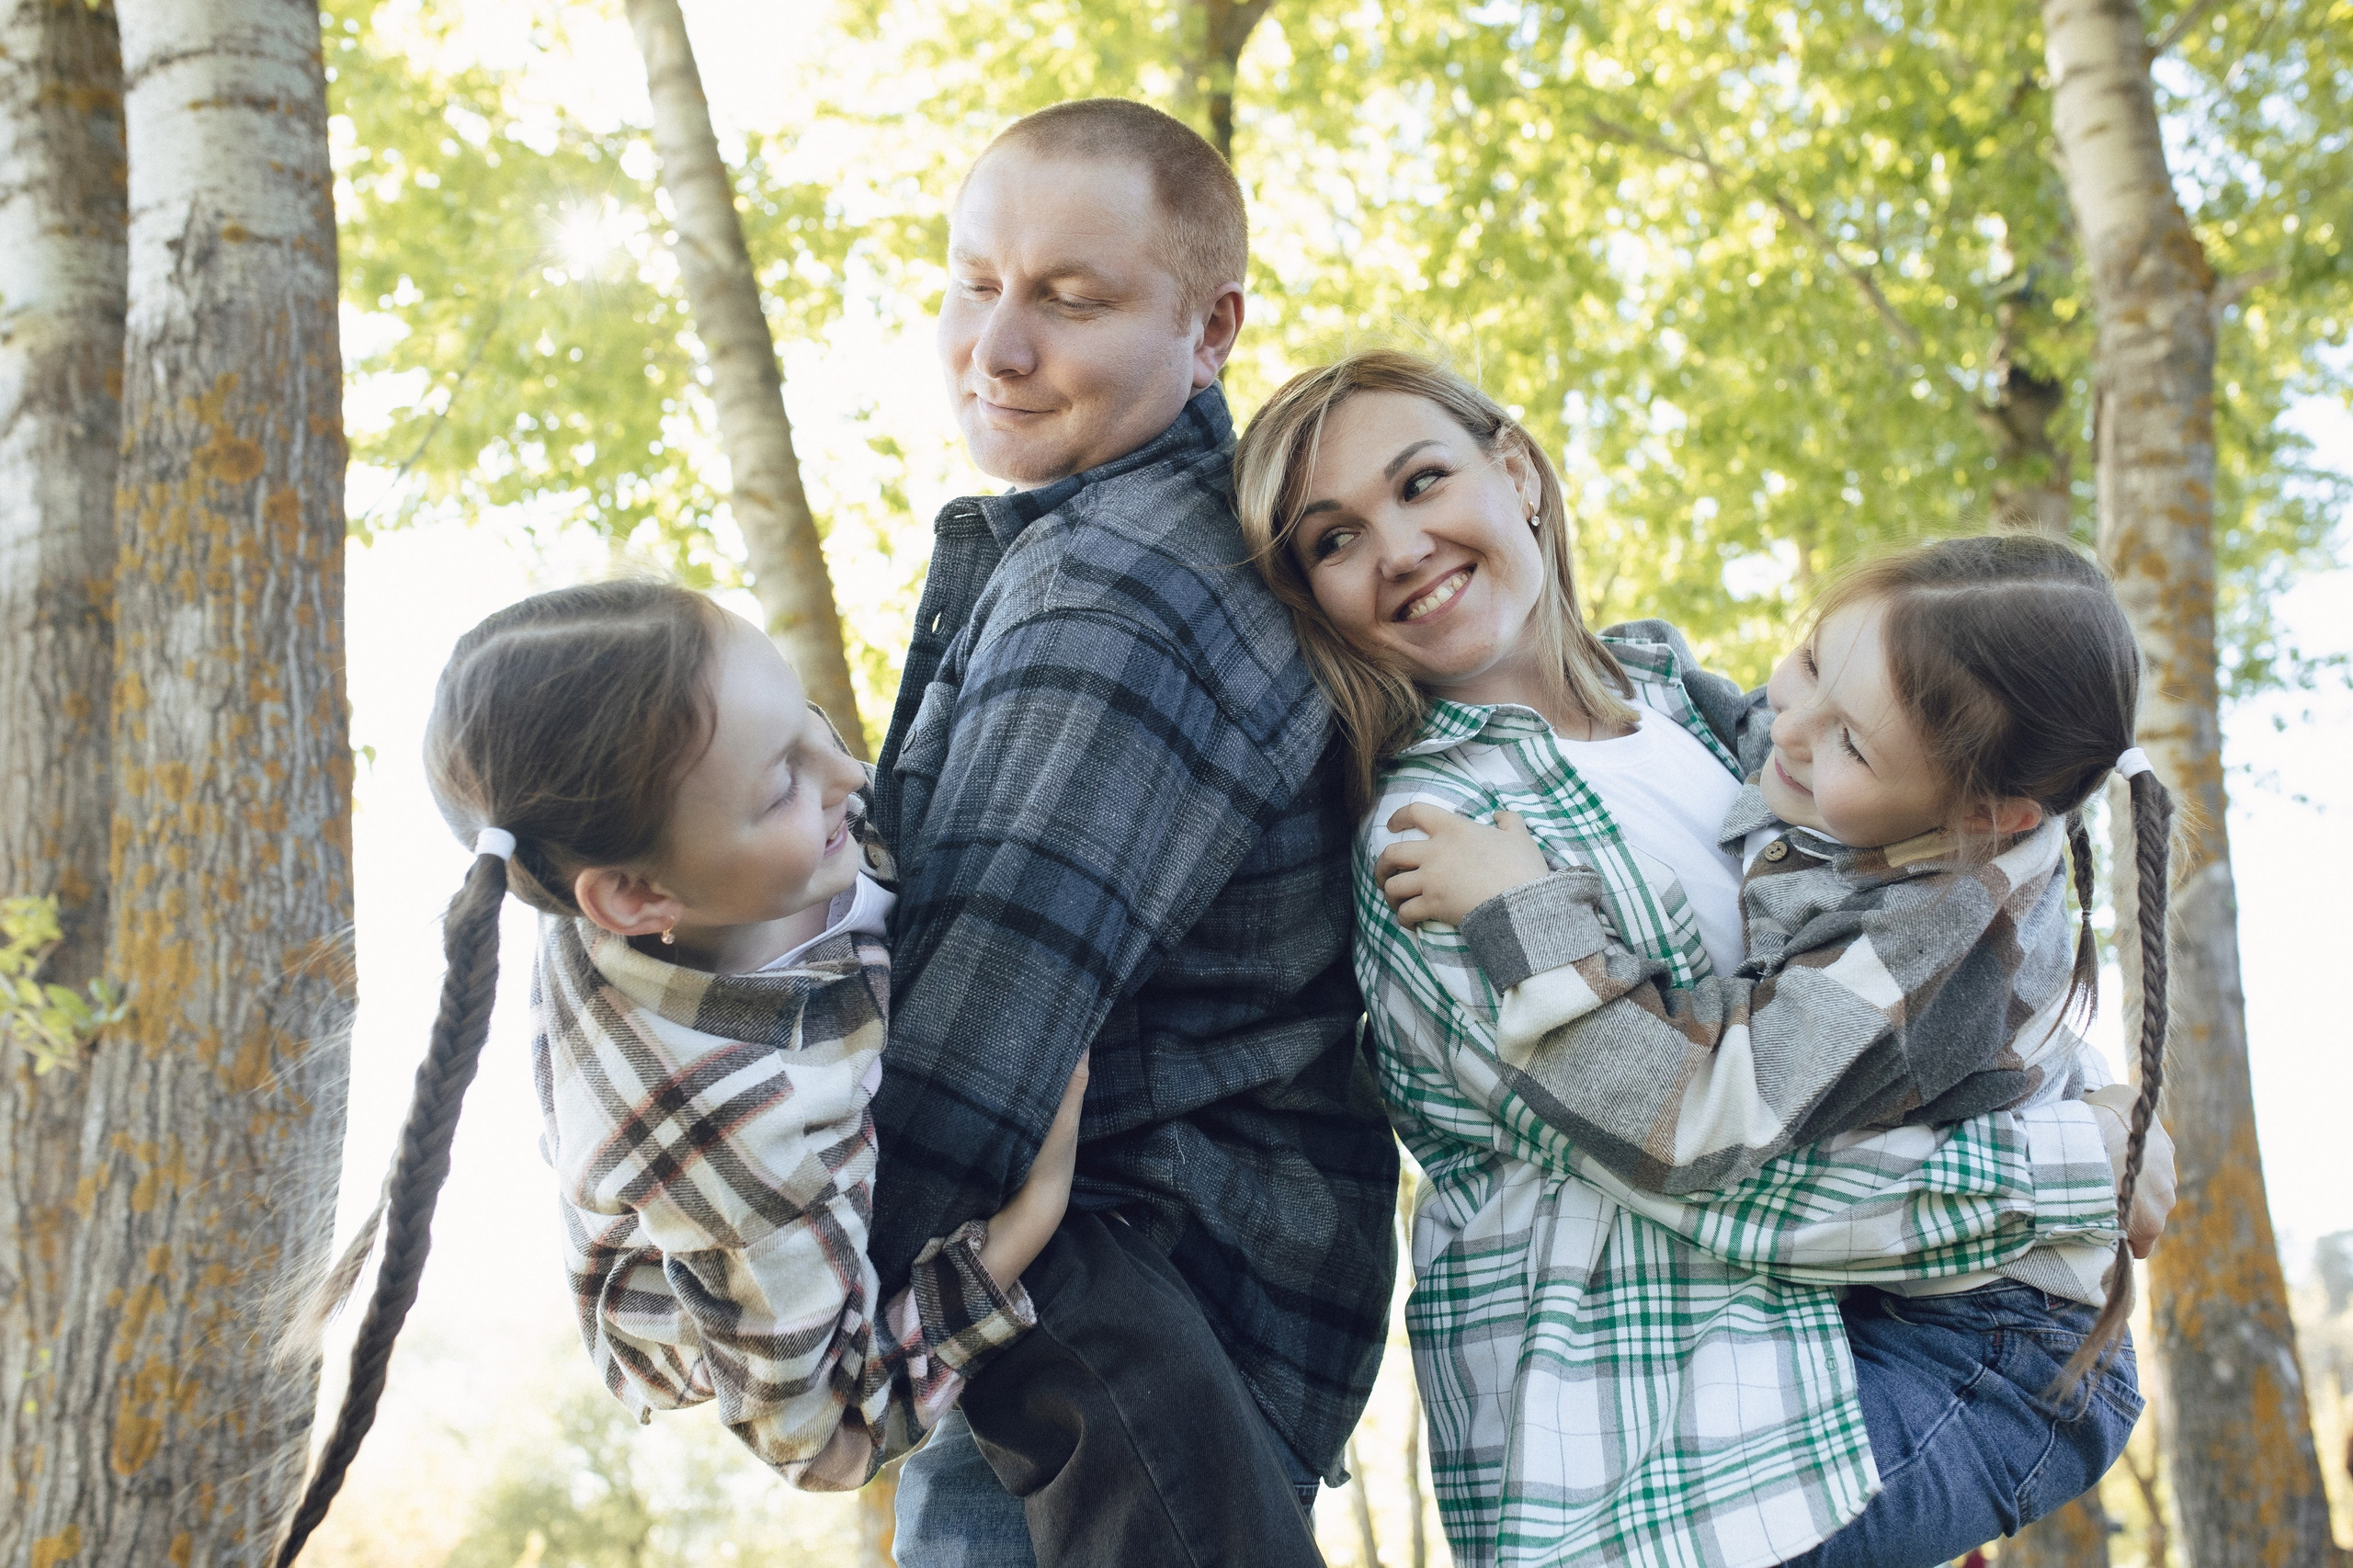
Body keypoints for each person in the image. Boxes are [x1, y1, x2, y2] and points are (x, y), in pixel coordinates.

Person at [1233, 350, 2176, 1568]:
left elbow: (1910, 977)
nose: (1400, 546)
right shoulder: (1441, 839)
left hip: (1837, 1389)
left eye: (1421, 482)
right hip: (1662, 1481)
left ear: (1515, 473)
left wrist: (2093, 1094)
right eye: (1334, 539)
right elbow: (1719, 1177)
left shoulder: (1703, 716)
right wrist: (2071, 1166)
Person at [268, 583, 1086, 1565]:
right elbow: (827, 1434)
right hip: (729, 1272)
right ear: (636, 898)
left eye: (809, 720)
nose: (849, 772)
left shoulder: (675, 843)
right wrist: (1035, 1209)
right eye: (781, 786)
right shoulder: (744, 1139)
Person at [869, 100, 1401, 1566]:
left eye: (1070, 298)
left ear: (1211, 328)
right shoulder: (1184, 542)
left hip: (1093, 1358)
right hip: (1171, 1360)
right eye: (976, 281)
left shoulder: (1118, 587)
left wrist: (814, 1352)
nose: (997, 347)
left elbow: (978, 1038)